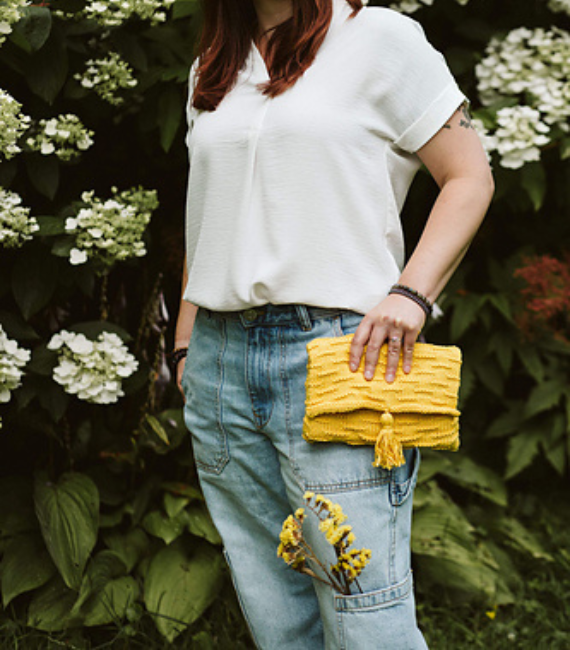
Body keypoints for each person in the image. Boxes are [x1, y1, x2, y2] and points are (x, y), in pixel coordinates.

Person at [172, 0, 494, 647]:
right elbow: (206, 217)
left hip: (341, 354)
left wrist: (412, 293)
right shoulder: (212, 63)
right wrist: (184, 344)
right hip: (218, 359)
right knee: (274, 608)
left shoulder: (380, 38)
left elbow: (469, 176)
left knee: (364, 609)